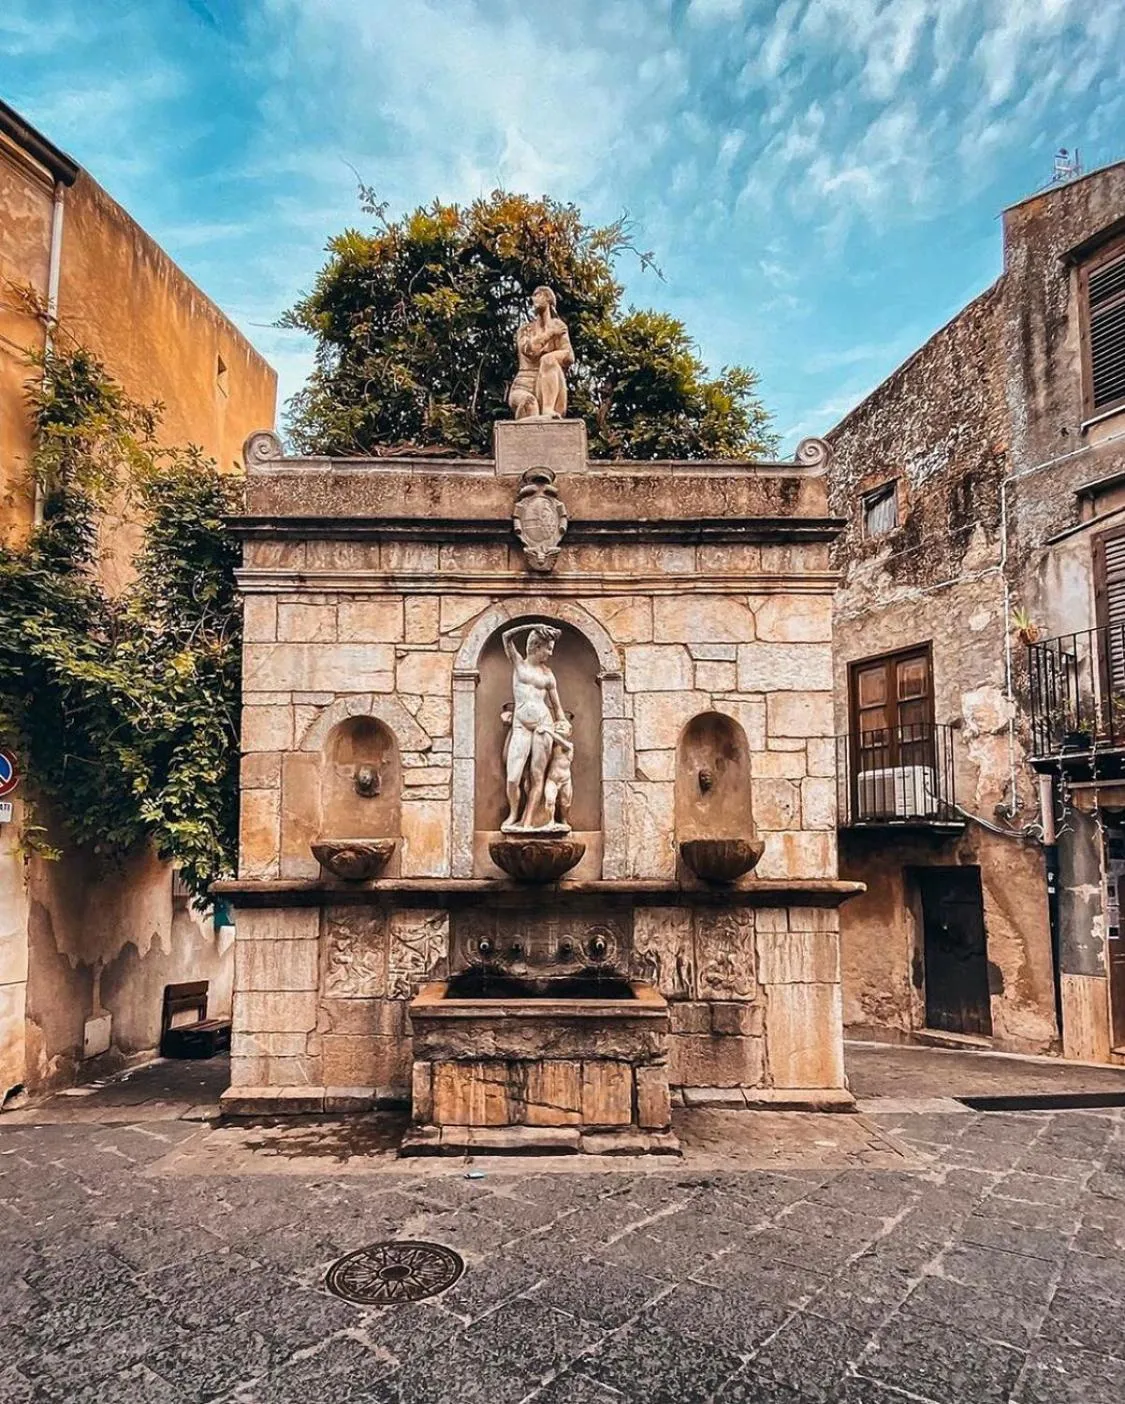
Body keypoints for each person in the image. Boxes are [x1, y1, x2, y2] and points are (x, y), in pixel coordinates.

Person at [501, 623, 566, 831]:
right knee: (513, 777)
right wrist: (533, 625)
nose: (550, 653)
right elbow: (506, 636)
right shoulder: (519, 663)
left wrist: (562, 722)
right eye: (548, 648)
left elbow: (557, 706)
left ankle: (528, 821)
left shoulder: (548, 674)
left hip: (543, 725)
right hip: (521, 725)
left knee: (537, 777)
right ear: (537, 646)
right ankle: (513, 814)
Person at [508, 286, 574, 420]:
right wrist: (550, 334)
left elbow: (569, 356)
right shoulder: (525, 330)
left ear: (548, 299)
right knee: (529, 405)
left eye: (539, 295)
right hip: (523, 385)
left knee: (548, 359)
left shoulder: (559, 327)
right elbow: (530, 350)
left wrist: (551, 357)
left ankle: (548, 408)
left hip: (550, 388)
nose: (534, 298)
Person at [542, 715, 574, 830]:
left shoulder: (569, 746)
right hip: (552, 779)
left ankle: (564, 820)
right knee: (550, 800)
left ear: (569, 732)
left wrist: (548, 731)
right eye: (558, 726)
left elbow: (562, 743)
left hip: (565, 779)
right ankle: (550, 821)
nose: (560, 727)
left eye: (563, 726)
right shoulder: (551, 746)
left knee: (565, 803)